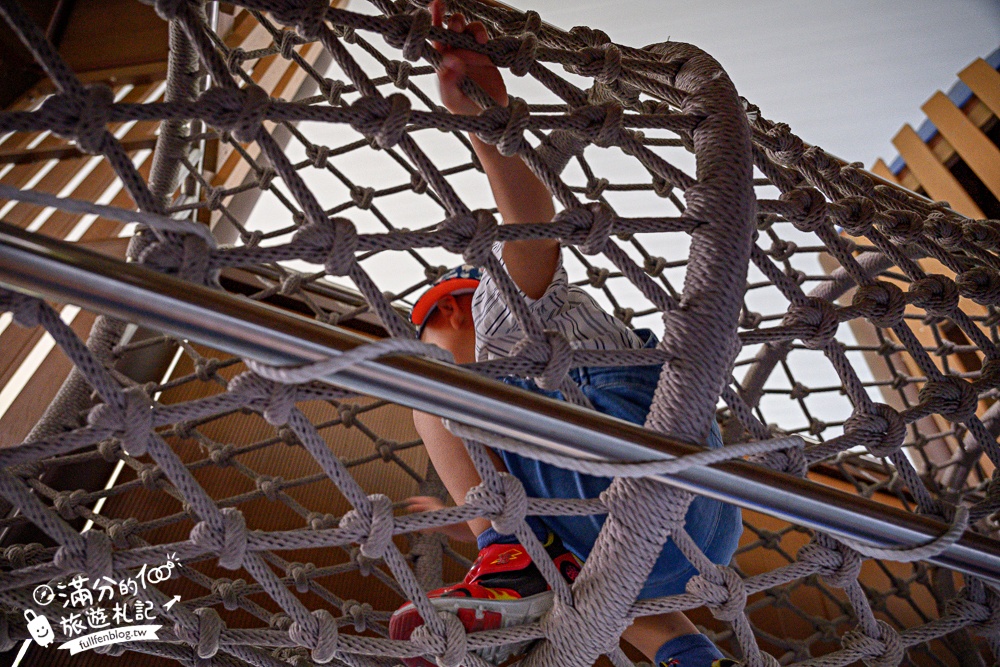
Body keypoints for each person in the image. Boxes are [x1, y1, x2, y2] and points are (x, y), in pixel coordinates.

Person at [389, 4, 742, 666]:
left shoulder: (501, 317)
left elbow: (525, 219)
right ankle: (687, 652)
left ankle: (507, 551)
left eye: (431, 320)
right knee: (586, 583)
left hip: (631, 478)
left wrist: (486, 121)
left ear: (457, 309)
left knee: (425, 389)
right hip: (690, 528)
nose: (431, 331)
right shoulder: (515, 405)